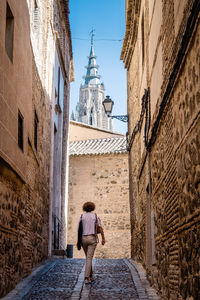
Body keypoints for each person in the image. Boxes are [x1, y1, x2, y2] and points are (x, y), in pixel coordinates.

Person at [78, 201, 105, 284]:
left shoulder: (82, 216)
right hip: (92, 238)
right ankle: (86, 278)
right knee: (89, 258)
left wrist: (78, 241)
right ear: (93, 207)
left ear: (84, 208)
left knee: (88, 258)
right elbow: (100, 228)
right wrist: (103, 238)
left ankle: (91, 276)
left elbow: (79, 230)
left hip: (83, 238)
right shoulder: (95, 216)